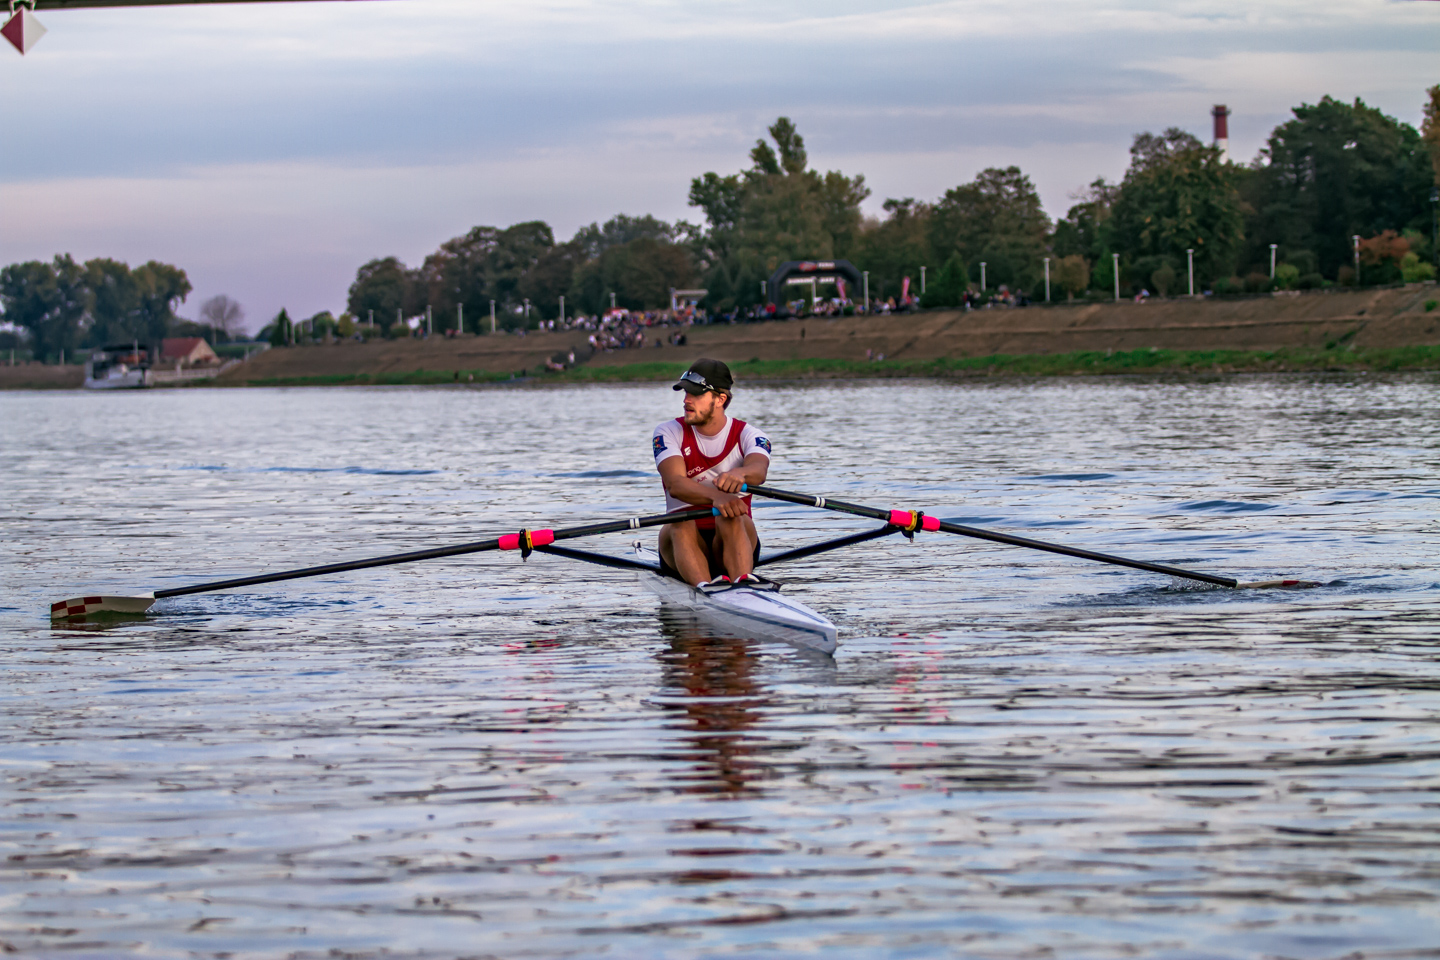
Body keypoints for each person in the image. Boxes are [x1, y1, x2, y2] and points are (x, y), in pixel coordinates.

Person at [653, 359, 771, 588]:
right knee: (681, 522)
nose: (686, 400)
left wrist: (742, 474)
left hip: (733, 539)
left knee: (731, 515)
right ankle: (705, 589)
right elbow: (675, 484)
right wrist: (718, 496)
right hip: (681, 544)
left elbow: (759, 470)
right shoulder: (668, 432)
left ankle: (743, 586)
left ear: (720, 399)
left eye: (696, 394)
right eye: (686, 392)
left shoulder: (750, 435)